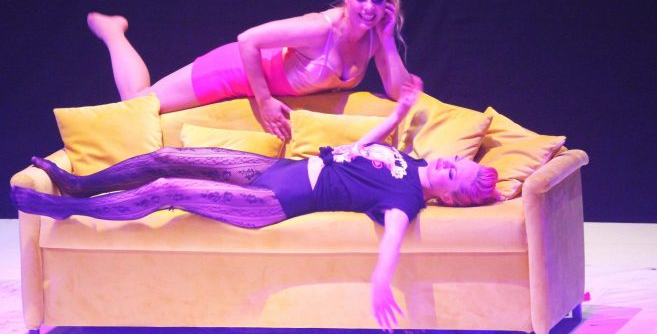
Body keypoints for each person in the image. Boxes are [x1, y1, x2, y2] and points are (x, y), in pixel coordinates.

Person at [11, 77, 499, 332]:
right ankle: (78, 185)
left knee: (168, 191)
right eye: (457, 161)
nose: (449, 163)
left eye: (454, 174)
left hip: (273, 201)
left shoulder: (406, 198)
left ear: (449, 197)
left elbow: (392, 236)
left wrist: (380, 282)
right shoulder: (408, 161)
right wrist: (397, 112)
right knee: (165, 158)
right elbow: (362, 147)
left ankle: (66, 210)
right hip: (277, 170)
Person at [87, 0, 411, 140]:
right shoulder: (319, 29)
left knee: (138, 103)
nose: (369, 9)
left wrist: (387, 40)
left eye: (377, 0)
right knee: (137, 103)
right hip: (235, 70)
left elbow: (399, 91)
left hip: (261, 78)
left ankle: (114, 32)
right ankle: (113, 32)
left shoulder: (374, 37)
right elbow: (248, 40)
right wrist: (265, 101)